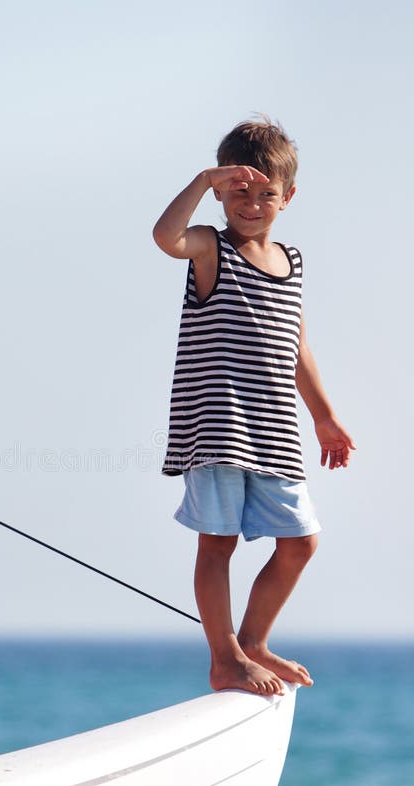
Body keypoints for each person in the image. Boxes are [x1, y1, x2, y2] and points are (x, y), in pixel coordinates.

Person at [153, 118, 355, 696]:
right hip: (216, 427)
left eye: (266, 193)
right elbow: (166, 238)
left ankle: (254, 642)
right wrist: (200, 179)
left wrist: (324, 415)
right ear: (221, 193)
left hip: (274, 432)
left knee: (300, 542)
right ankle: (225, 658)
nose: (252, 203)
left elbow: (298, 344)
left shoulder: (291, 262)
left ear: (287, 198)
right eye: (238, 191)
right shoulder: (209, 247)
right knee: (217, 545)